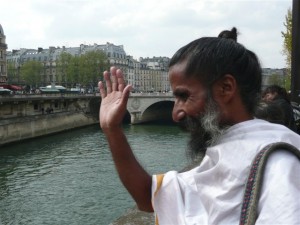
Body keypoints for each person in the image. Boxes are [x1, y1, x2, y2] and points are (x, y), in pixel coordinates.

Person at [98, 28, 300, 224]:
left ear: (226, 88)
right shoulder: (228, 149)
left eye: (184, 96)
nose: (176, 114)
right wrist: (112, 129)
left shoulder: (279, 163)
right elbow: (148, 195)